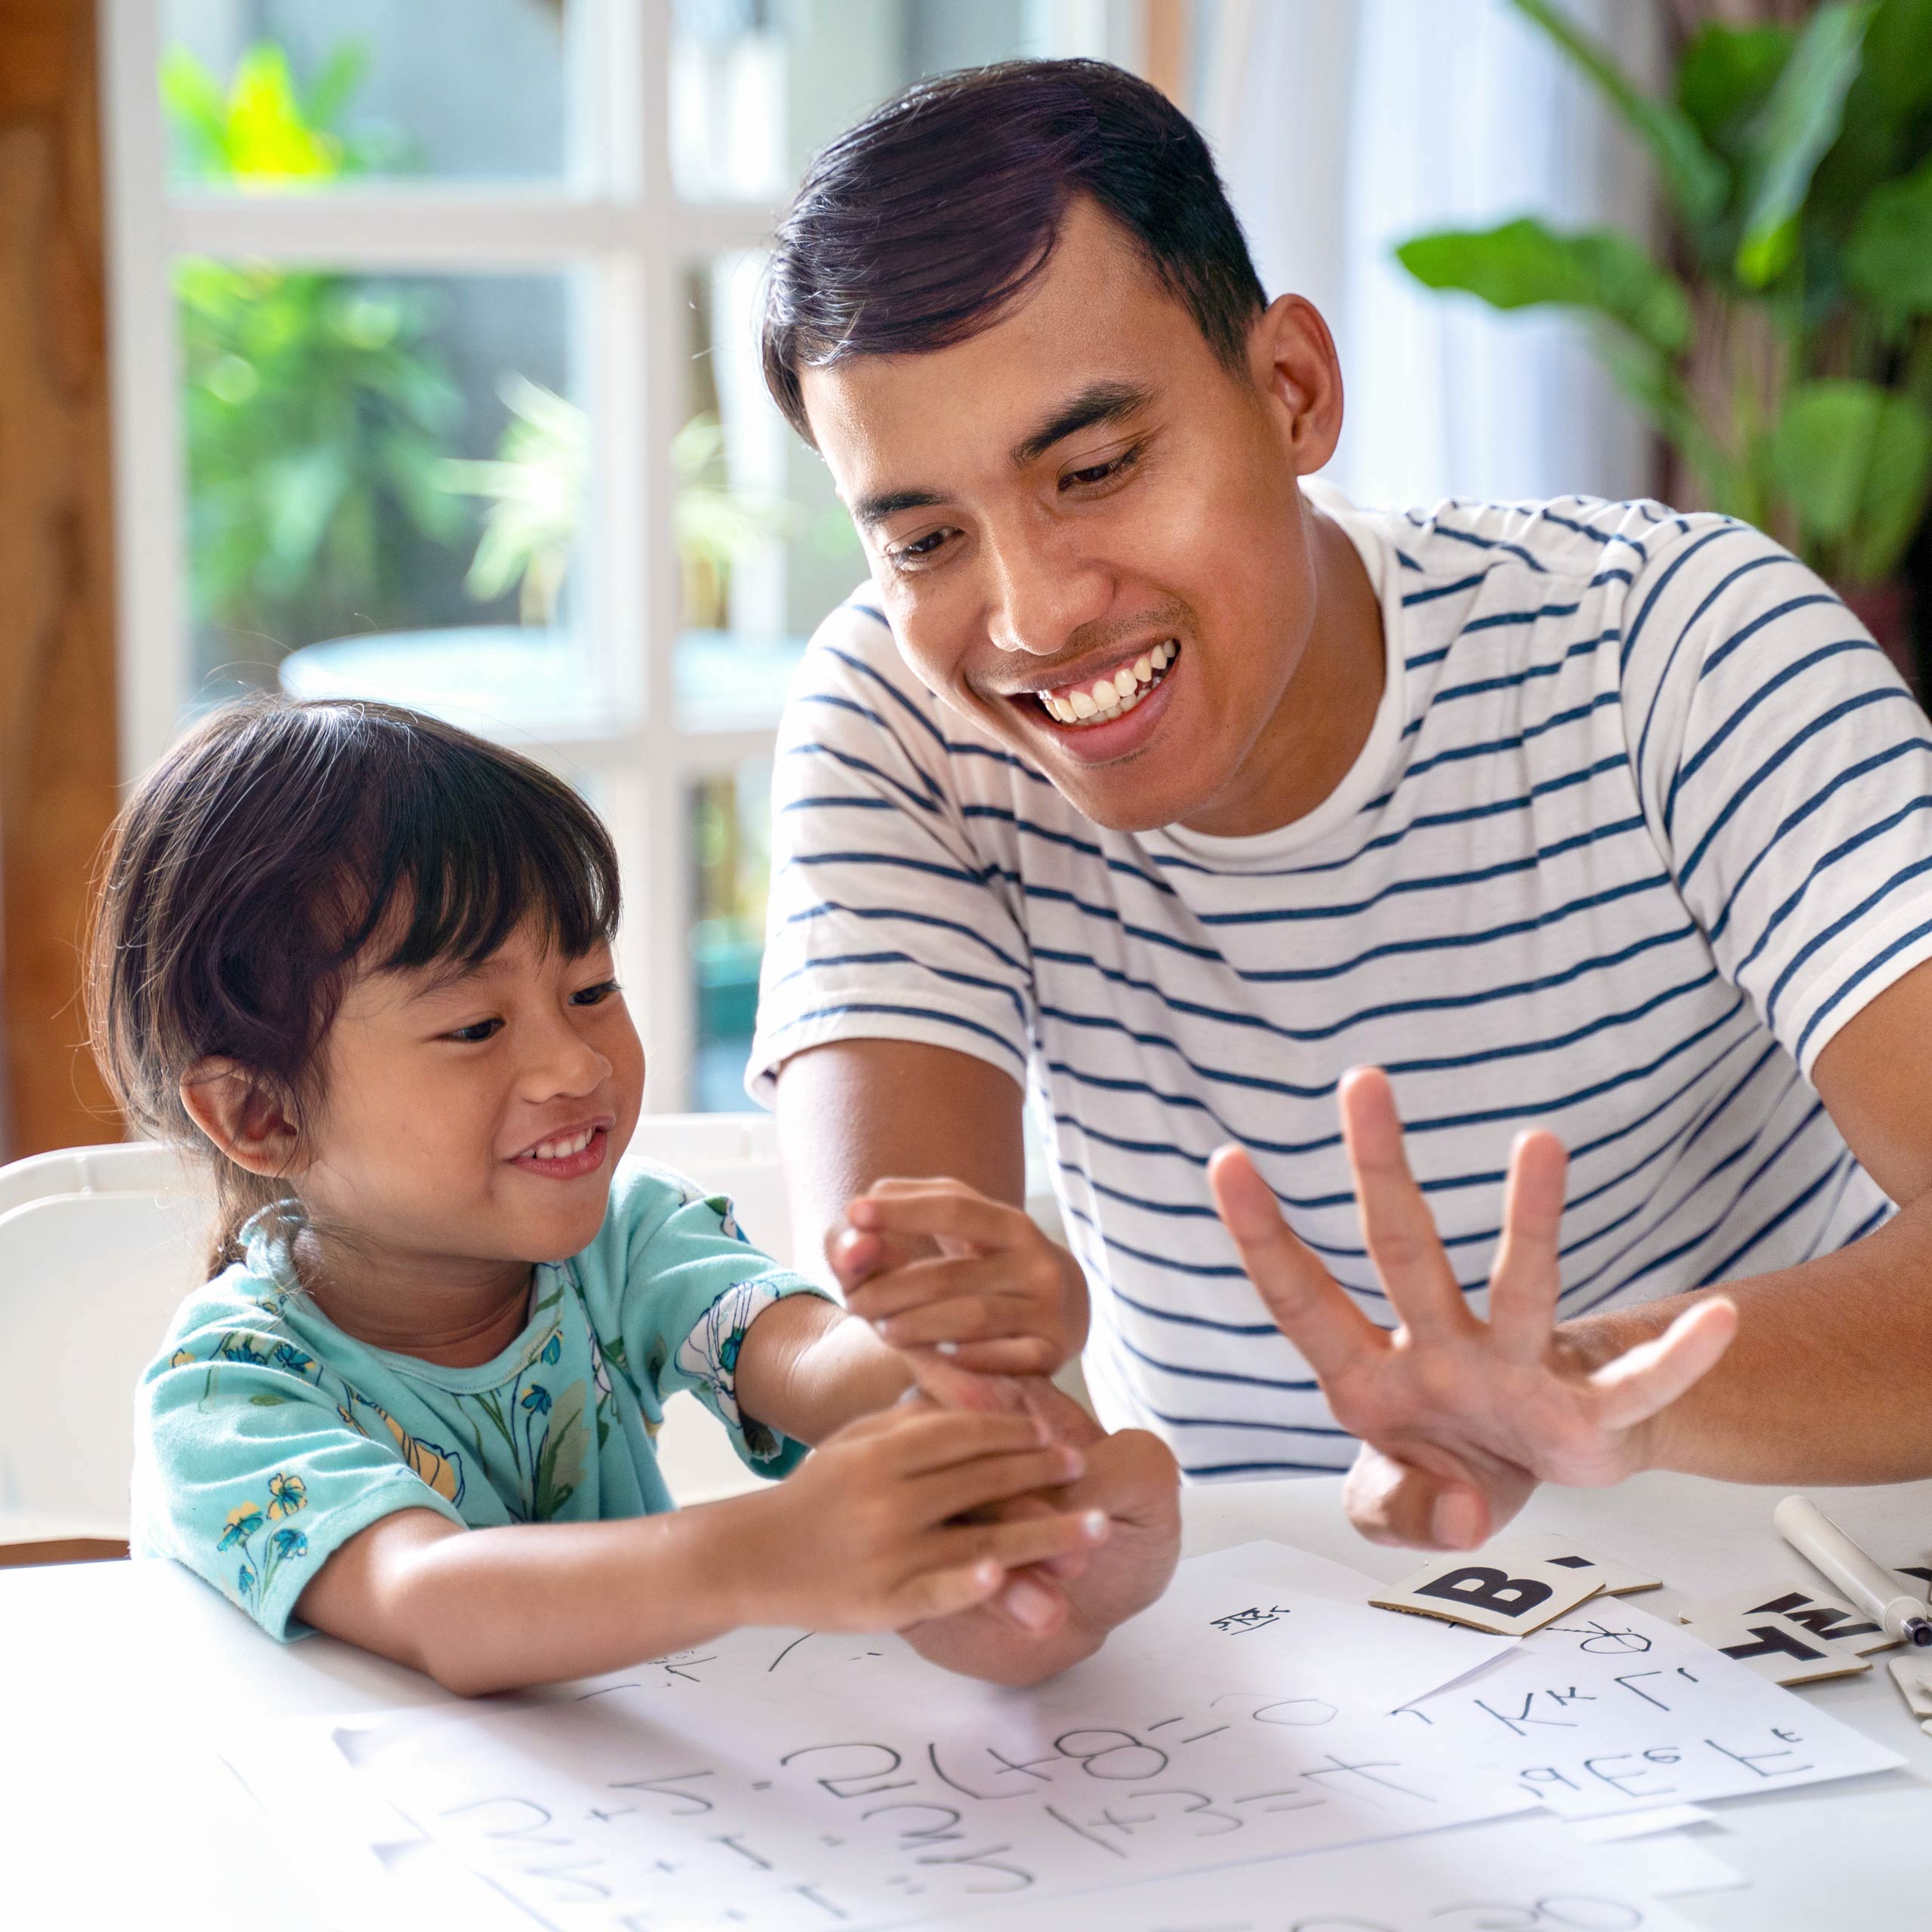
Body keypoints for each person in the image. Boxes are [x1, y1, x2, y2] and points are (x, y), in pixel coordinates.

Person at [746, 57, 1932, 1551]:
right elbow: (926, 1386)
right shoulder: (901, 719)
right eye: (924, 537)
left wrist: (1580, 1386)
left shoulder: (1672, 646)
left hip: (1790, 1616)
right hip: (1273, 1684)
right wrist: (992, 1478)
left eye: (1095, 466)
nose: (1031, 617)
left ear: (1290, 390)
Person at [95, 697, 1178, 1697]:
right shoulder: (226, 1396)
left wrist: (963, 1327)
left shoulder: (627, 1241)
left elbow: (816, 1364)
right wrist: (760, 1553)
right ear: (261, 1118)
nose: (575, 1065)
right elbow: (434, 1603)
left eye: (591, 990)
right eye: (476, 1026)